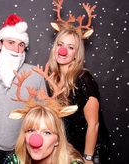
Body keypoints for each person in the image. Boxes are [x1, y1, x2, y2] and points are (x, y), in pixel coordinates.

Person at [0, 14, 46, 164]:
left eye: (21, 44)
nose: (16, 49)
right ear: (0, 44)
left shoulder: (36, 74)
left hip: (26, 150)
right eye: (11, 42)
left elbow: (44, 116)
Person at [47, 1, 109, 163]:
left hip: (90, 151)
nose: (63, 50)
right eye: (60, 45)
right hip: (68, 149)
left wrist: (88, 158)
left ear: (76, 53)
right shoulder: (52, 77)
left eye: (70, 47)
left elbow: (94, 124)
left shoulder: (83, 79)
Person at [4, 105, 84, 164]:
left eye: (47, 133)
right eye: (31, 131)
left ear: (57, 140)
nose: (36, 140)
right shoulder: (15, 161)